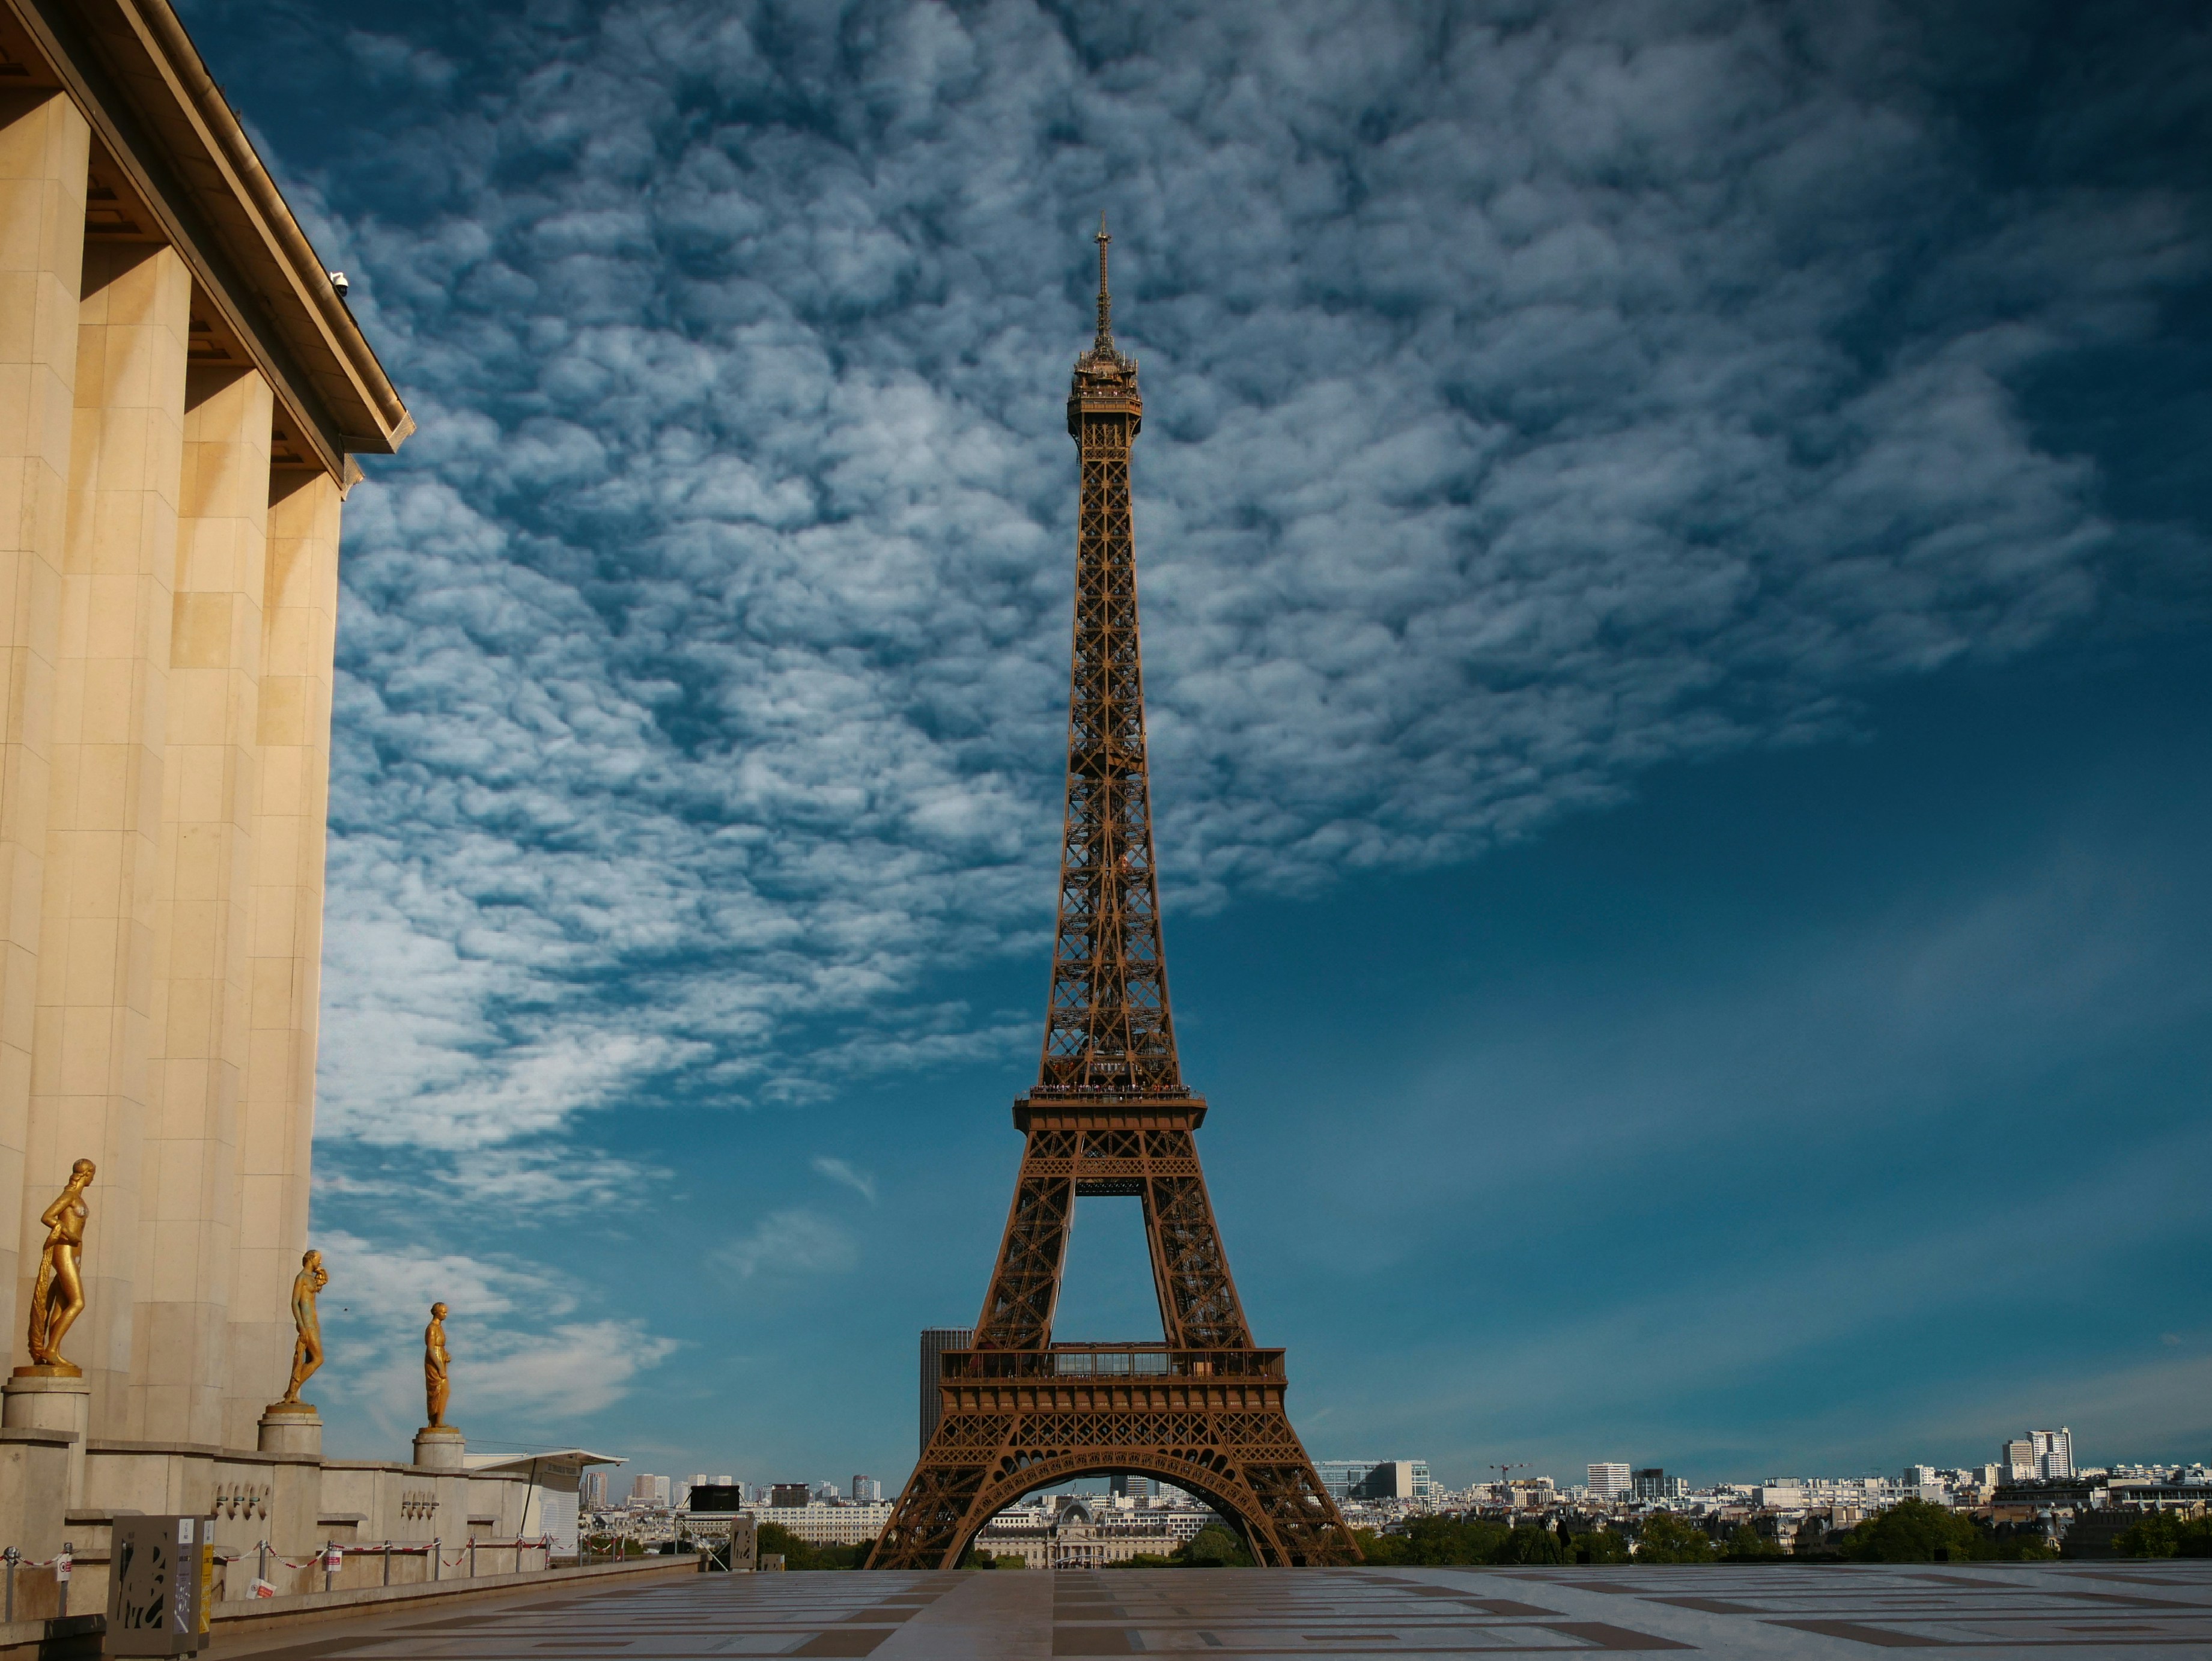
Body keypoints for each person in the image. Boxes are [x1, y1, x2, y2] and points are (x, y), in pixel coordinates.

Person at [26, 1159, 95, 1371]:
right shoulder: (69, 1196)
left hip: (75, 1254)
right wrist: (68, 1233)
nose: (93, 1178)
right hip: (64, 1250)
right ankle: (52, 1349)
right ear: (87, 1174)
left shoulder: (78, 1197)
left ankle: (53, 1351)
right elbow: (47, 1217)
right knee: (78, 1302)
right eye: (93, 1174)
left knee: (62, 1303)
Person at [279, 1250, 330, 1403]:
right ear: (310, 1259)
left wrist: (323, 1276)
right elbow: (295, 1302)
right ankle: (291, 1392)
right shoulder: (301, 1278)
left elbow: (318, 1287)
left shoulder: (311, 1279)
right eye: (318, 1259)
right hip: (307, 1323)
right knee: (318, 1359)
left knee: (311, 1359)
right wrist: (301, 1326)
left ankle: (291, 1393)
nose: (320, 1262)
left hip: (313, 1323)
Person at [424, 1302, 451, 1427]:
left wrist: (445, 1355)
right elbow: (430, 1349)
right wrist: (440, 1368)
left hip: (441, 1357)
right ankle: (435, 1421)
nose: (445, 1315)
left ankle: (439, 1420)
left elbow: (440, 1346)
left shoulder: (440, 1327)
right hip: (434, 1361)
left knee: (444, 1391)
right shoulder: (432, 1328)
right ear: (436, 1313)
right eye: (443, 1312)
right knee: (437, 1391)